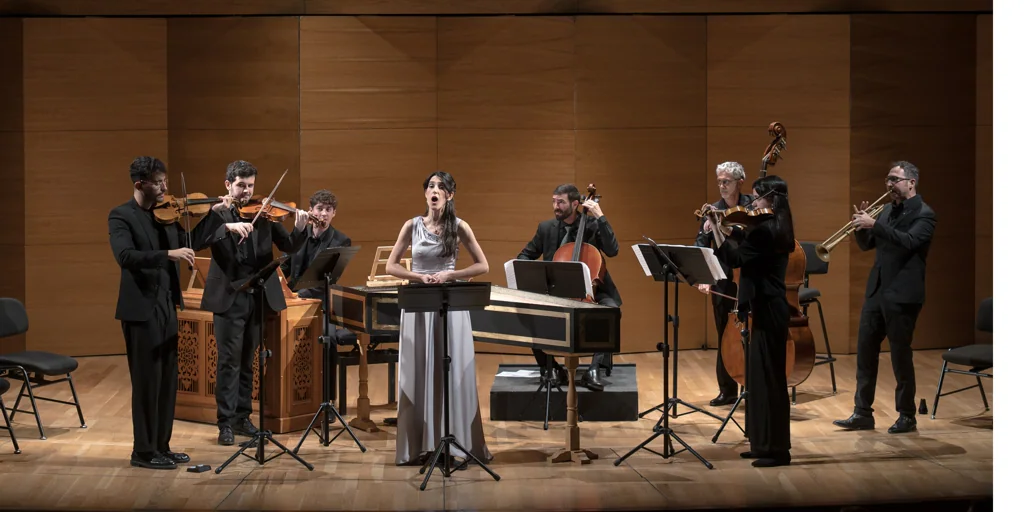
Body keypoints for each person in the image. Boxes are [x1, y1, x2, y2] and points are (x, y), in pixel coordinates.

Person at [109, 156, 246, 469]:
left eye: (165, 181)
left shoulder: (166, 216)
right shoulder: (121, 216)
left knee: (168, 380)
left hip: (167, 305)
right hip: (140, 310)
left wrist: (214, 215)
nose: (164, 188)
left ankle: (162, 446)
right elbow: (126, 256)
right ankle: (142, 452)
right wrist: (168, 254)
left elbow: (191, 242)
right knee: (147, 382)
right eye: (158, 182)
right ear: (140, 184)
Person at [385, 171, 491, 467]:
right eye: (430, 186)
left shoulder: (459, 227)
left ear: (450, 195)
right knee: (417, 372)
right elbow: (392, 266)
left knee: (450, 371)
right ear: (426, 194)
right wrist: (417, 276)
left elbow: (483, 265)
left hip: (450, 303)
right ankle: (420, 445)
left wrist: (451, 274)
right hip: (418, 305)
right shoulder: (411, 225)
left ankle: (454, 445)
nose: (434, 190)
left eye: (440, 187)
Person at [200, 160, 309, 446]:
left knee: (248, 361)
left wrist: (300, 229)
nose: (246, 192)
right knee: (228, 362)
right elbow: (200, 238)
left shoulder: (266, 214)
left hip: (258, 295)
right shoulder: (218, 213)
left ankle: (242, 417)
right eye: (240, 186)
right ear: (228, 185)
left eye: (250, 186)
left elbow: (288, 246)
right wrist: (227, 226)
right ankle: (224, 423)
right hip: (229, 296)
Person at [834, 161, 936, 435]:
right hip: (877, 291)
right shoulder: (888, 210)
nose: (889, 184)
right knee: (865, 353)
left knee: (900, 356)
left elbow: (909, 242)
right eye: (887, 180)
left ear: (911, 182)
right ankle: (862, 412)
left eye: (895, 179)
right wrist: (861, 227)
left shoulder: (925, 215)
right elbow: (870, 245)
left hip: (903, 296)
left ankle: (907, 415)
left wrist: (875, 224)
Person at [707, 174, 795, 467]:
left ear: (770, 199)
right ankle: (761, 443)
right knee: (757, 381)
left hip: (768, 310)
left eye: (757, 196)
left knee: (770, 381)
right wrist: (726, 229)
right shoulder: (773, 227)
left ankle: (778, 450)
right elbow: (743, 243)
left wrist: (718, 230)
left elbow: (734, 259)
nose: (752, 202)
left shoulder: (767, 231)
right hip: (765, 307)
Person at [516, 184, 620, 392]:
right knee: (529, 312)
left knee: (611, 309)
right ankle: (551, 367)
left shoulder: (592, 225)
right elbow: (524, 256)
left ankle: (594, 369)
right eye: (554, 201)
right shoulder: (546, 228)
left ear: (575, 204)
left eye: (561, 202)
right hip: (555, 291)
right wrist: (539, 272)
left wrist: (601, 217)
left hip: (592, 292)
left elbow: (612, 250)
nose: (556, 206)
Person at [695, 161, 754, 406]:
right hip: (722, 280)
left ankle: (753, 385)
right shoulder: (712, 211)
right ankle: (727, 390)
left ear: (740, 182)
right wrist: (703, 277)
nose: (721, 186)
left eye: (726, 181)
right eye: (719, 181)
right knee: (724, 334)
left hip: (751, 278)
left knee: (752, 334)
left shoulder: (752, 206)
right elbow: (701, 244)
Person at [281, 189, 352, 299]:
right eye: (319, 209)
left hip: (319, 300)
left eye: (328, 210)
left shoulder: (341, 241)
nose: (324, 213)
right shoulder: (300, 235)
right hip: (292, 295)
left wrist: (298, 295)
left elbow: (325, 281)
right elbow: (284, 267)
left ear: (334, 213)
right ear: (311, 211)